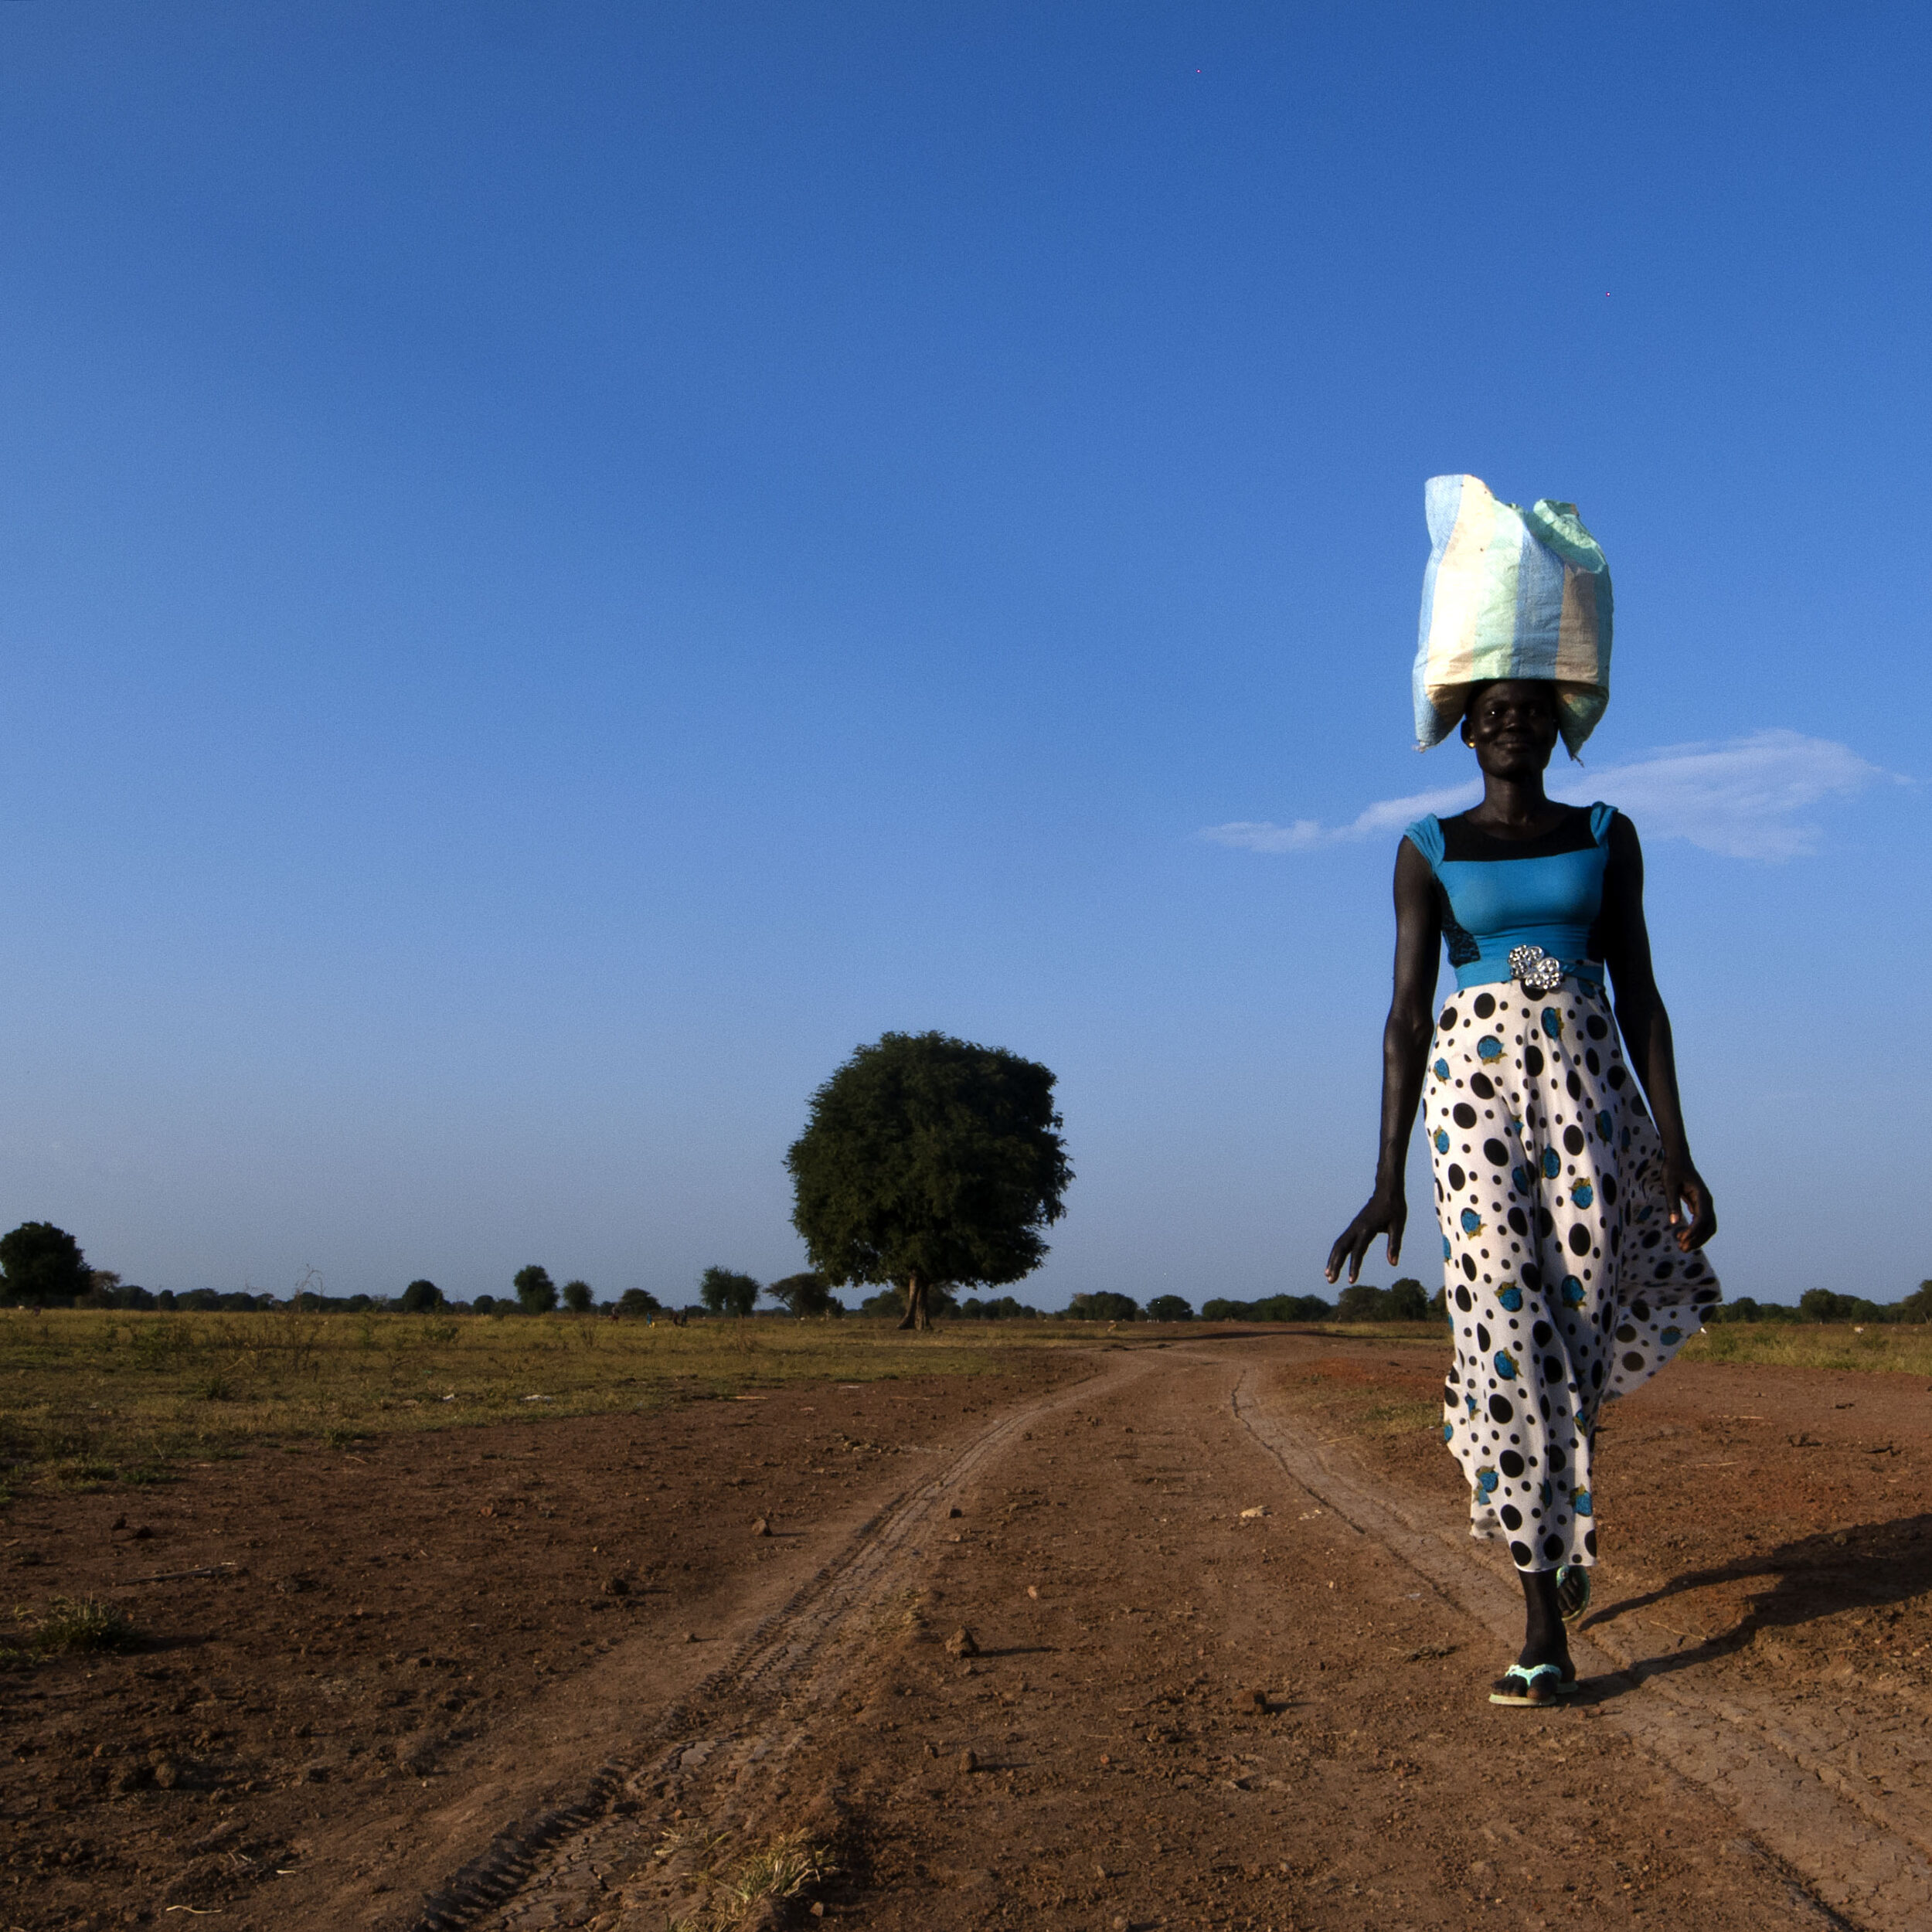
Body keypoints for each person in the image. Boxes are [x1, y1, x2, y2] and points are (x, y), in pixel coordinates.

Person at [1327, 478, 1719, 1707]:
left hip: (1592, 1091)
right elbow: (1400, 1019)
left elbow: (1646, 997)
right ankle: (1542, 1615)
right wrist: (1385, 1177)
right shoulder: (1426, 850)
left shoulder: (1609, 833)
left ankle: (1550, 1503)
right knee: (1502, 1318)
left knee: (1579, 1329)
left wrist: (1680, 1149)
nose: (1507, 726)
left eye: (1527, 710)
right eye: (1488, 712)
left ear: (1553, 722)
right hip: (1473, 1099)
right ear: (1464, 726)